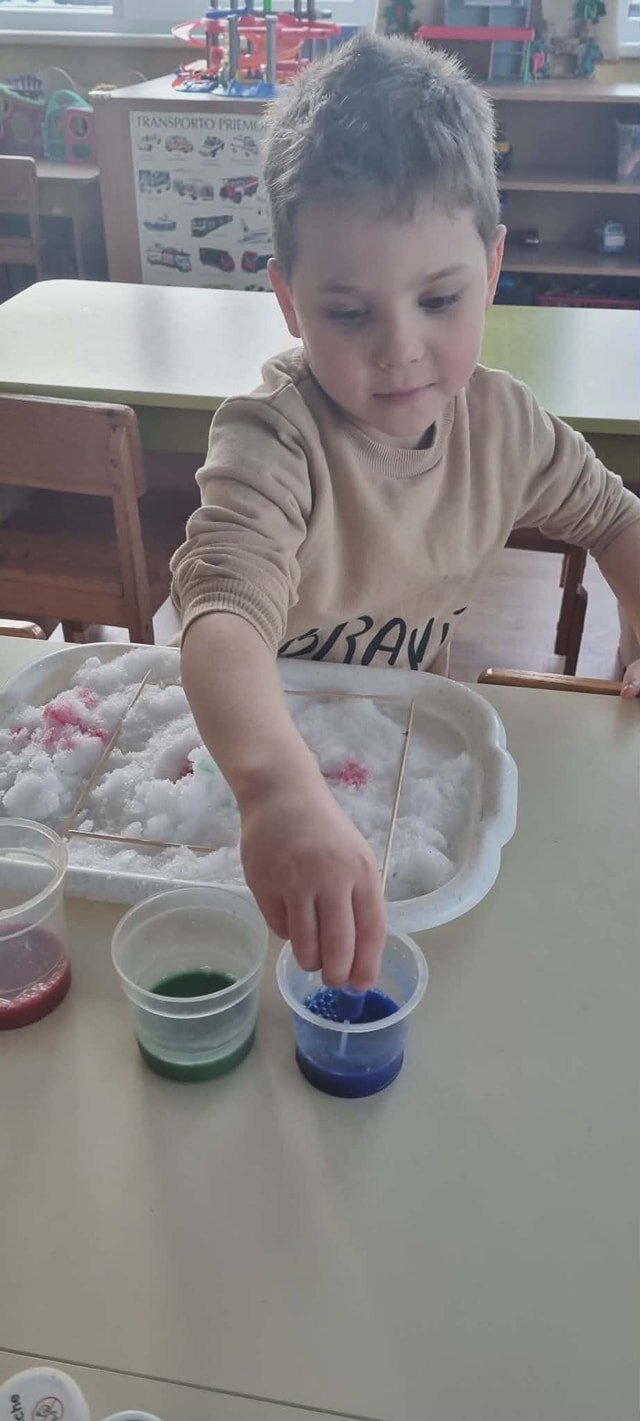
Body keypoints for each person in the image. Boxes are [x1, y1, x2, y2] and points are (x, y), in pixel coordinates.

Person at [171, 33, 640, 989]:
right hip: (252, 779)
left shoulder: (503, 426)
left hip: (395, 769)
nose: (400, 350)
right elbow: (221, 611)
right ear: (289, 300)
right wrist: (274, 784)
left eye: (438, 299)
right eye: (350, 313)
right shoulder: (275, 437)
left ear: (493, 267)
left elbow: (615, 519)